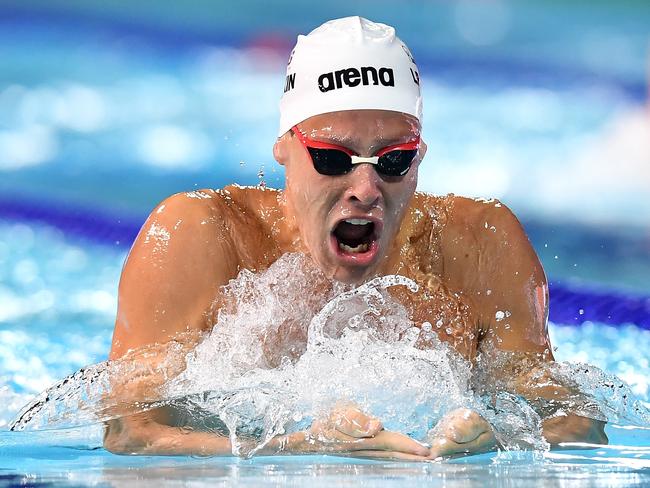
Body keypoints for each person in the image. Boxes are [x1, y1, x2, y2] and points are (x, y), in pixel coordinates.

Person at [103, 16, 607, 460]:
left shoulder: (478, 245)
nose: (366, 191)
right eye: (333, 159)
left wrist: (501, 441)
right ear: (284, 147)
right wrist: (297, 449)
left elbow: (575, 419)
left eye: (393, 161)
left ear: (420, 156)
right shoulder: (202, 236)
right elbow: (130, 431)